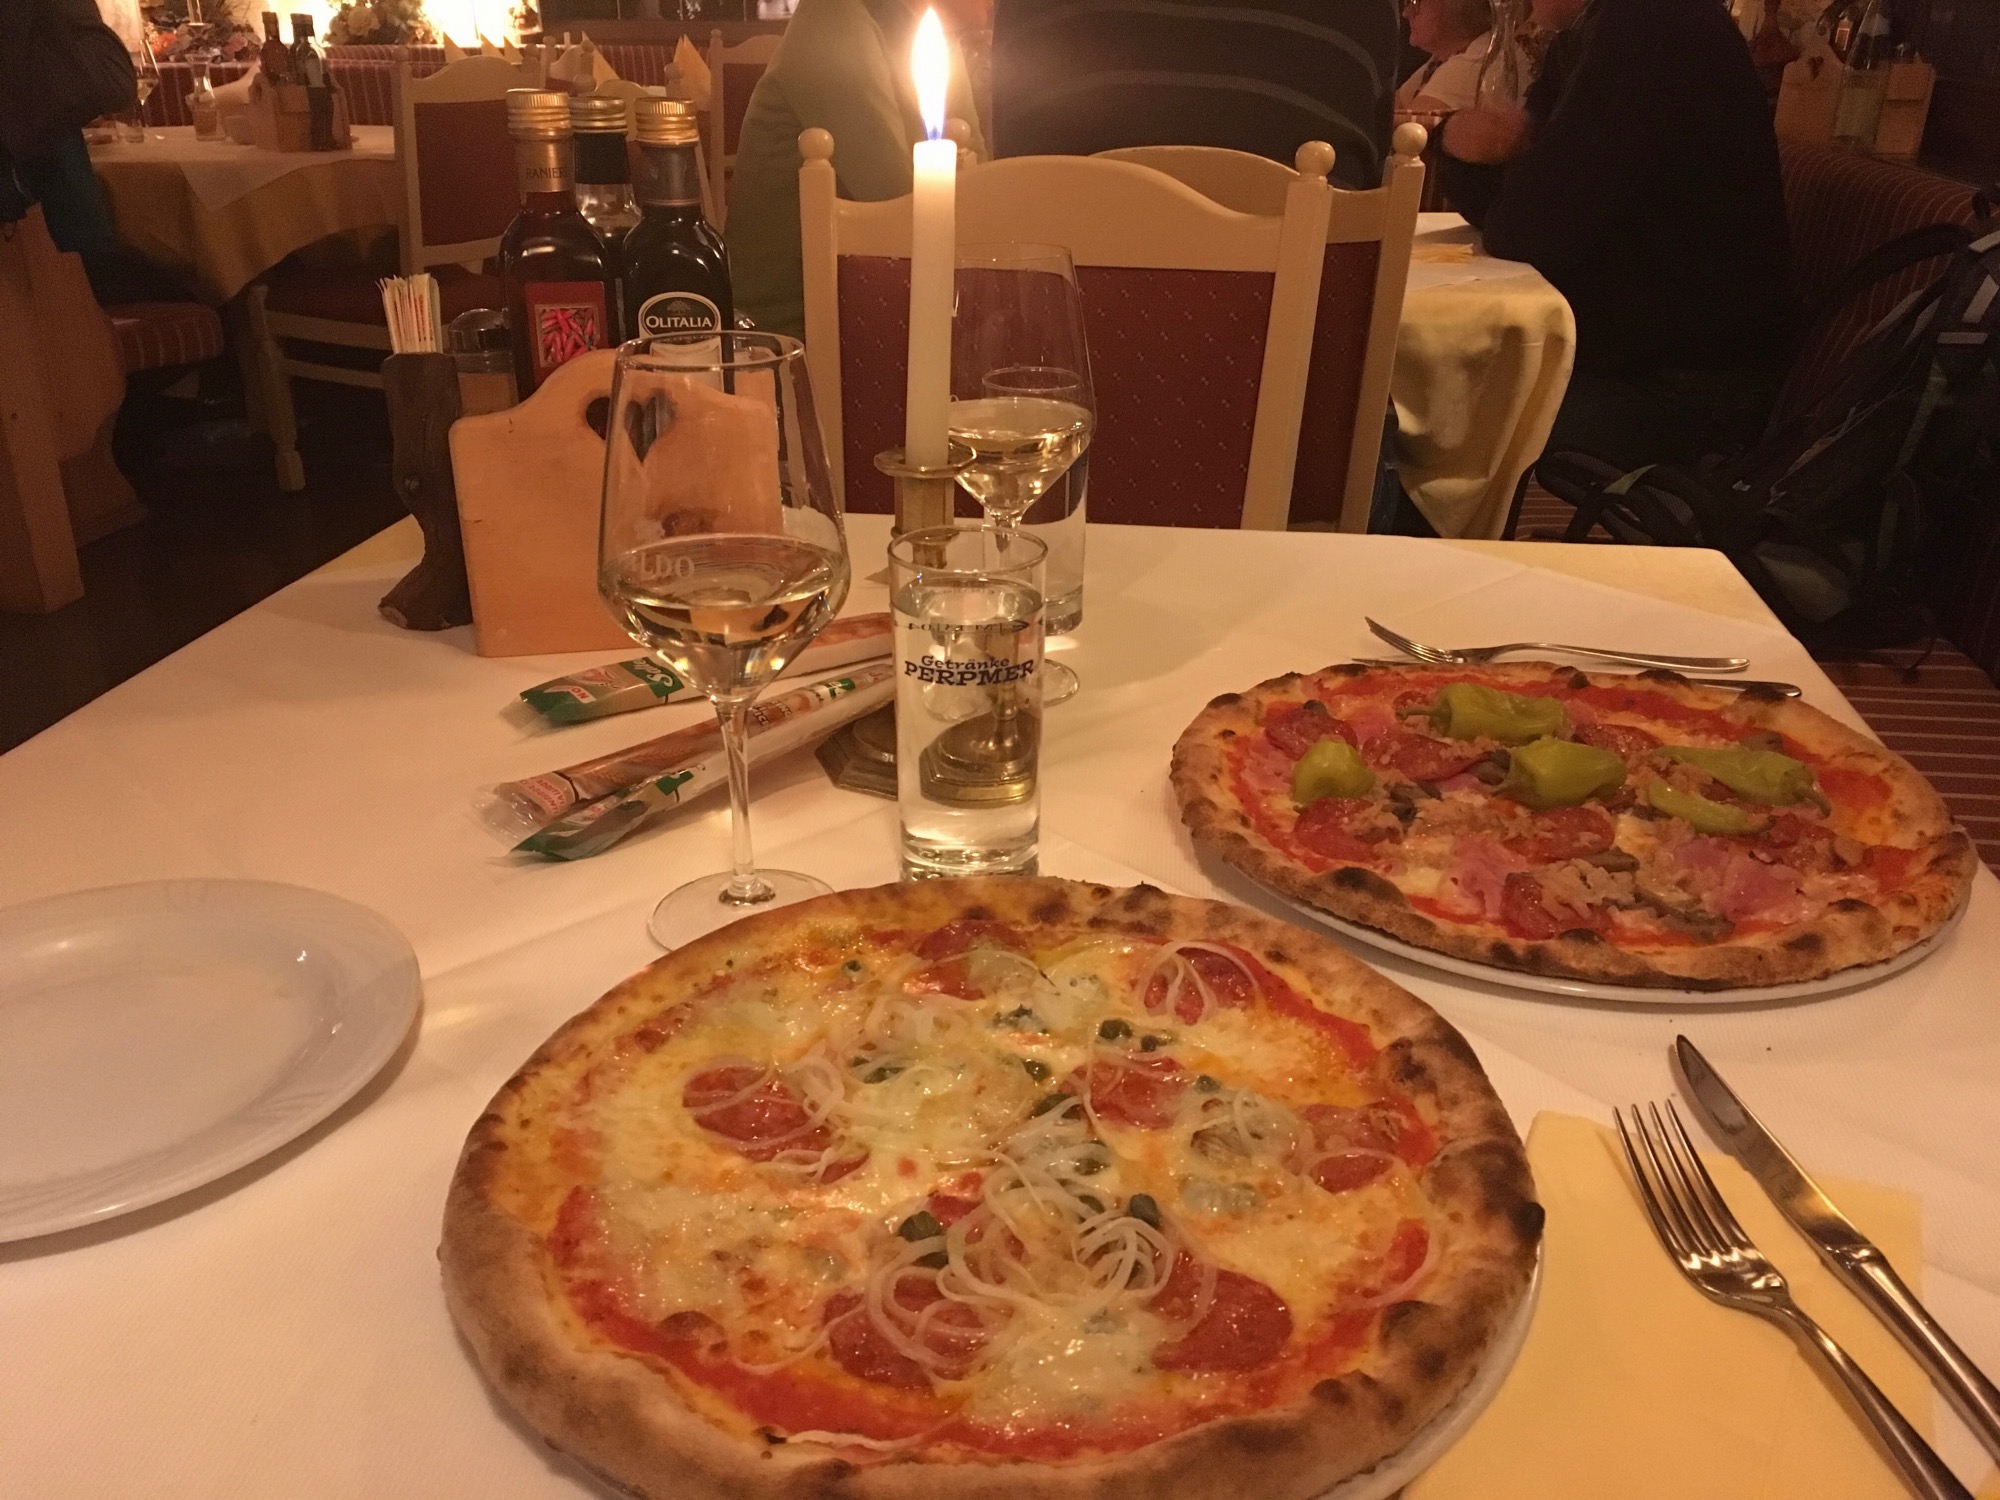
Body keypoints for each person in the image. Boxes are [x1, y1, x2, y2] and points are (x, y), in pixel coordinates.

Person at [1436, 0, 1793, 470]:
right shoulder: (1582, 40)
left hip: (1689, 394)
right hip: (1632, 363)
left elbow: (1528, 225)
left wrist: (1459, 140)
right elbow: (1510, 205)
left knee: (1438, 422)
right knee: (1428, 398)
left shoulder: (1654, 23)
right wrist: (1463, 145)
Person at [727, 0, 987, 340]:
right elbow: (899, 212)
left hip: (878, 313)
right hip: (783, 344)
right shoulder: (831, 21)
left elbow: (980, 196)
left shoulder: (923, 33)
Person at [988, 0, 1400, 191]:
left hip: (1057, 336)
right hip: (1314, 336)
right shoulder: (1369, 11)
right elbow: (1372, 192)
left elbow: (1006, 182)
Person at [1397, 0, 1510, 114]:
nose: (1406, 13)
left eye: (1415, 2)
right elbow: (1393, 108)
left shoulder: (1474, 61)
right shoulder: (1444, 56)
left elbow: (1406, 123)